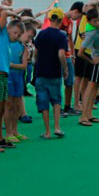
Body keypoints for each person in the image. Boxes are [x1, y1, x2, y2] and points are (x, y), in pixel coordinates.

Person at [0, 7, 25, 152]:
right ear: (8, 28)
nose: (16, 36)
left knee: (1, 110)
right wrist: (15, 14)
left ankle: (0, 139)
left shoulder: (9, 44)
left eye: (19, 34)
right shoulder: (1, 34)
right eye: (15, 32)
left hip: (2, 77)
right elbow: (3, 13)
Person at [34, 7, 69, 138]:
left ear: (49, 19)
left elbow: (36, 53)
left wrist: (37, 64)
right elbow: (61, 54)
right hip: (54, 72)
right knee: (56, 100)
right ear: (60, 20)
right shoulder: (61, 36)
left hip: (41, 72)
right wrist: (65, 68)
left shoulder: (41, 34)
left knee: (43, 101)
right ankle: (57, 127)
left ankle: (47, 131)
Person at [78, 8, 99, 127]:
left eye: (98, 20)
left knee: (96, 85)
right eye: (94, 21)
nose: (97, 23)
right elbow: (80, 53)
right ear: (89, 22)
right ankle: (83, 116)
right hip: (97, 59)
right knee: (91, 85)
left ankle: (90, 114)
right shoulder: (91, 33)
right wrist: (92, 61)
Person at [5, 26, 31, 142]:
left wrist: (11, 65)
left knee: (16, 105)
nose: (28, 39)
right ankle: (8, 132)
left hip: (19, 77)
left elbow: (24, 65)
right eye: (27, 36)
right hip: (8, 77)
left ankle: (15, 131)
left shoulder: (23, 48)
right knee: (8, 105)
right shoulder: (6, 44)